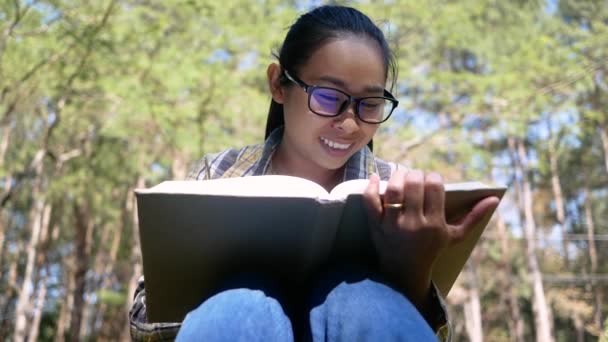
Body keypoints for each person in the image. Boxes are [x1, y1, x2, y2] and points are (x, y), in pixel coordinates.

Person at [129, 5, 499, 342]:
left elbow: (432, 332)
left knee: (361, 298)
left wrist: (414, 272)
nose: (350, 123)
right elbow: (144, 323)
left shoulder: (401, 191)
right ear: (278, 84)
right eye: (327, 97)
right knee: (241, 302)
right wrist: (223, 298)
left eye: (370, 104)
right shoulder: (219, 173)